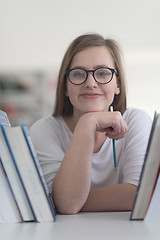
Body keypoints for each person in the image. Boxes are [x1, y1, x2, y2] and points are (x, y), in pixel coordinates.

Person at [30, 33, 152, 214]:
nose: (91, 83)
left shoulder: (136, 121)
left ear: (118, 84)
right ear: (65, 86)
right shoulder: (45, 130)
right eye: (78, 74)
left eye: (103, 73)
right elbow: (67, 205)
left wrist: (67, 199)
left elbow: (139, 195)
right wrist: (87, 123)